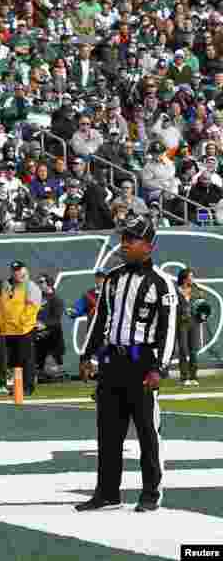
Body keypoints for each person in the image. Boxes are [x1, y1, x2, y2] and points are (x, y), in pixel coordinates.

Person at [77, 213, 176, 513]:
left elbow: (167, 329)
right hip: (111, 360)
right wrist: (86, 355)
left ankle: (150, 493)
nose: (123, 244)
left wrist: (159, 367)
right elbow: (100, 320)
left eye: (131, 240)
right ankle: (107, 493)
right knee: (108, 431)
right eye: (123, 238)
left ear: (148, 246)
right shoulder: (113, 279)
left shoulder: (161, 284)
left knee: (147, 430)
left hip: (142, 362)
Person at [0, 261, 41, 397]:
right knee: (14, 361)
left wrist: (22, 322)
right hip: (8, 329)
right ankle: (17, 386)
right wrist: (1, 323)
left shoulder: (30, 286)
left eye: (19, 270)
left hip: (24, 329)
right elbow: (1, 305)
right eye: (14, 270)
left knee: (26, 359)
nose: (17, 273)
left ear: (25, 270)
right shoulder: (6, 285)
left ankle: (27, 387)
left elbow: (33, 307)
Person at [174, 268, 207, 387]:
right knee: (183, 350)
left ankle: (194, 377)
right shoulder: (175, 291)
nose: (192, 279)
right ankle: (184, 378)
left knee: (193, 351)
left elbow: (203, 307)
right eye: (191, 276)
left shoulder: (197, 291)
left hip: (194, 323)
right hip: (181, 324)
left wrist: (202, 314)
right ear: (184, 278)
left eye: (192, 277)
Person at [34, 273, 66, 380]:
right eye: (39, 282)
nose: (39, 284)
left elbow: (56, 319)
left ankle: (53, 371)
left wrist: (44, 325)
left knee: (52, 365)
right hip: (37, 333)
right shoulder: (37, 298)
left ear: (49, 283)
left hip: (52, 335)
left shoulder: (56, 299)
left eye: (42, 282)